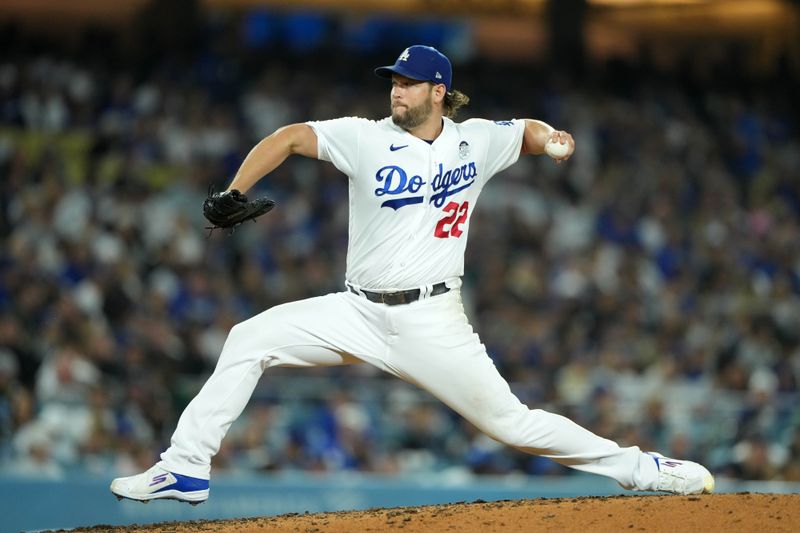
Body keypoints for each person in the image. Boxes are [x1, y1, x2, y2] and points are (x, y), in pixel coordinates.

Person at [110, 45, 714, 504]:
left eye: (406, 83)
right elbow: (291, 138)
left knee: (512, 424)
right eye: (393, 82)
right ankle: (186, 467)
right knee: (249, 339)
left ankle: (643, 469)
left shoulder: (476, 142)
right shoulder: (364, 139)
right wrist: (236, 188)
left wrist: (551, 139)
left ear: (438, 90)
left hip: (431, 319)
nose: (395, 91)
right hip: (355, 313)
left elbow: (524, 130)